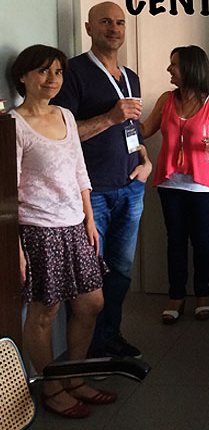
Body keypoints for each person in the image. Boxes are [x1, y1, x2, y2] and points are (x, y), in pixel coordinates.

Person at [10, 45, 116, 419]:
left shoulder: (66, 115)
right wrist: (15, 247)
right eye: (43, 71)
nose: (52, 79)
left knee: (91, 303)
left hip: (75, 225)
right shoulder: (13, 124)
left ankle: (75, 376)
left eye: (57, 72)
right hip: (38, 230)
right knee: (45, 312)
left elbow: (79, 170)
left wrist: (89, 218)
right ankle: (52, 386)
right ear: (22, 76)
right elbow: (7, 190)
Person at [52, 2, 152, 358]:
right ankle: (87, 352)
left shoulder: (131, 76)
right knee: (90, 277)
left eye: (120, 22)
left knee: (120, 272)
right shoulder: (73, 73)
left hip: (131, 187)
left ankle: (110, 336)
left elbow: (131, 129)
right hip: (91, 194)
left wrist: (144, 158)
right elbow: (62, 133)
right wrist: (109, 117)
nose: (114, 28)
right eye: (106, 22)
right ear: (89, 28)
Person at [141, 46, 209, 324]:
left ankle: (203, 295)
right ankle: (176, 296)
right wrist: (120, 117)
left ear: (191, 68)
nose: (169, 69)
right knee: (175, 240)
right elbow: (145, 130)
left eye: (174, 64)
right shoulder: (166, 99)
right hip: (170, 182)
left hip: (203, 184)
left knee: (201, 239)